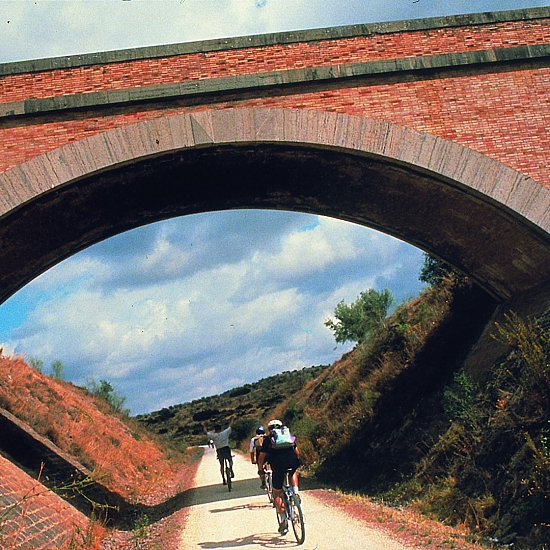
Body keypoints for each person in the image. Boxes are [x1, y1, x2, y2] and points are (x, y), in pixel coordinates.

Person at [257, 419, 300, 535]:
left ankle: (283, 521)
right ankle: (295, 492)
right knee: (292, 472)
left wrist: (260, 470)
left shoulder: (268, 439)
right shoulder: (288, 435)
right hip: (292, 460)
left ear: (270, 429)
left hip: (278, 465)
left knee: (277, 493)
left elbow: (261, 457)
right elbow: (297, 452)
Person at [203, 416, 235, 485]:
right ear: (221, 429)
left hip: (219, 450)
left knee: (222, 465)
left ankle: (223, 478)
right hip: (226, 448)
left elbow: (205, 432)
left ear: (215, 430)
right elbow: (231, 426)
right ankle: (231, 469)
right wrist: (232, 419)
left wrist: (204, 426)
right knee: (230, 460)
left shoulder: (214, 435)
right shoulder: (225, 433)